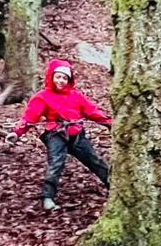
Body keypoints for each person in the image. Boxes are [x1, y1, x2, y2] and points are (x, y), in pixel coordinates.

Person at [12, 59, 111, 210]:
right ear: (51, 77)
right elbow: (29, 117)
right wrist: (17, 133)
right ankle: (48, 198)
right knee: (56, 164)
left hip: (76, 134)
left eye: (65, 78)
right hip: (56, 135)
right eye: (58, 77)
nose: (61, 81)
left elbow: (92, 111)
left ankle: (113, 186)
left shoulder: (76, 95)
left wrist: (109, 123)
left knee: (94, 160)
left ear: (69, 80)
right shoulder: (42, 96)